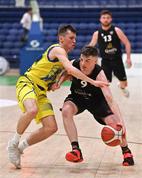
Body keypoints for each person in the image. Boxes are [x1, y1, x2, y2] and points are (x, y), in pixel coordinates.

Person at [7, 25, 108, 169]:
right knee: (32, 110)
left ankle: (21, 148)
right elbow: (70, 69)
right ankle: (13, 144)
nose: (74, 41)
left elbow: (66, 72)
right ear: (61, 39)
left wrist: (57, 82)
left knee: (51, 127)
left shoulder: (64, 56)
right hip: (28, 83)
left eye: (75, 38)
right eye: (71, 38)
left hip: (41, 92)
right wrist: (93, 82)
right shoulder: (58, 50)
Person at [60, 46, 134, 166]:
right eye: (82, 59)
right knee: (66, 110)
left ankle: (126, 151)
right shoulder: (74, 63)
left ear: (95, 61)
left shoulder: (100, 74)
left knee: (115, 123)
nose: (83, 63)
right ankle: (76, 150)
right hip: (78, 97)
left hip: (97, 102)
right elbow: (64, 71)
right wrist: (59, 82)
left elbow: (110, 100)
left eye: (87, 61)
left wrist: (121, 122)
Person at [89, 10, 132, 97]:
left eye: (108, 18)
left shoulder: (116, 30)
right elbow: (91, 46)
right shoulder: (97, 33)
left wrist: (128, 58)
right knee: (105, 83)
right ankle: (105, 101)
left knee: (124, 83)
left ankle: (122, 87)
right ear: (100, 19)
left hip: (117, 60)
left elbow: (127, 43)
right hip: (105, 61)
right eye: (104, 18)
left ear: (111, 19)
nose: (106, 20)